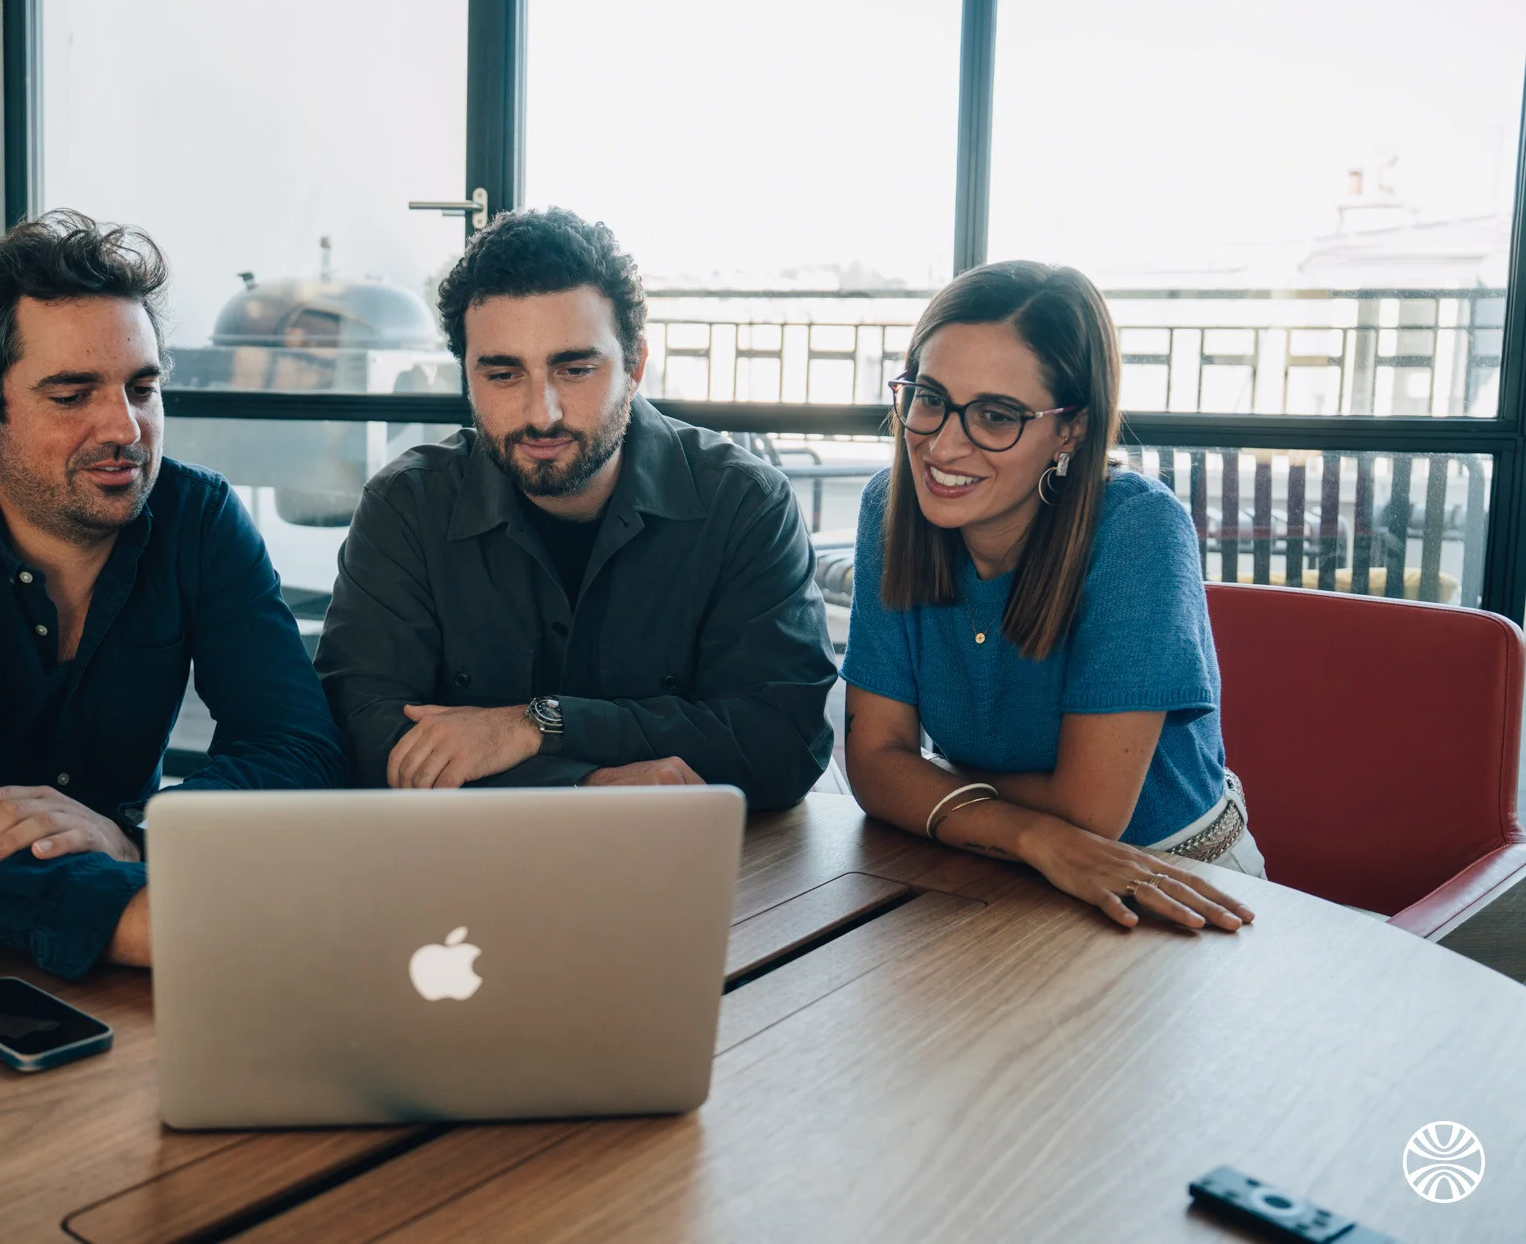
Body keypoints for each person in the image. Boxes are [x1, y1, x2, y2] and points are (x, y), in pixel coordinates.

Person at [0, 211, 345, 977]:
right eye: (73, 395)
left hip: (108, 918)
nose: (125, 428)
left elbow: (297, 747)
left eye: (141, 388)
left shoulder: (199, 520)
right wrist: (171, 923)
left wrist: (136, 828)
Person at [315, 207, 835, 804]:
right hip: (460, 865)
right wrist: (586, 786)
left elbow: (782, 740)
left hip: (690, 866)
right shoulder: (406, 506)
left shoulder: (744, 504)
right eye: (504, 375)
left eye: (576, 368)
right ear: (466, 376)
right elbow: (356, 733)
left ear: (634, 367)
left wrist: (538, 725)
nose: (543, 413)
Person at [840, 260, 1261, 933]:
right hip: (991, 861)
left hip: (1171, 880)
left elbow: (1090, 814)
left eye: (997, 415)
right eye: (927, 396)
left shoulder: (1138, 528)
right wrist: (1030, 833)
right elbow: (870, 766)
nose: (943, 443)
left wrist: (930, 782)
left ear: (1070, 430)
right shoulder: (889, 509)